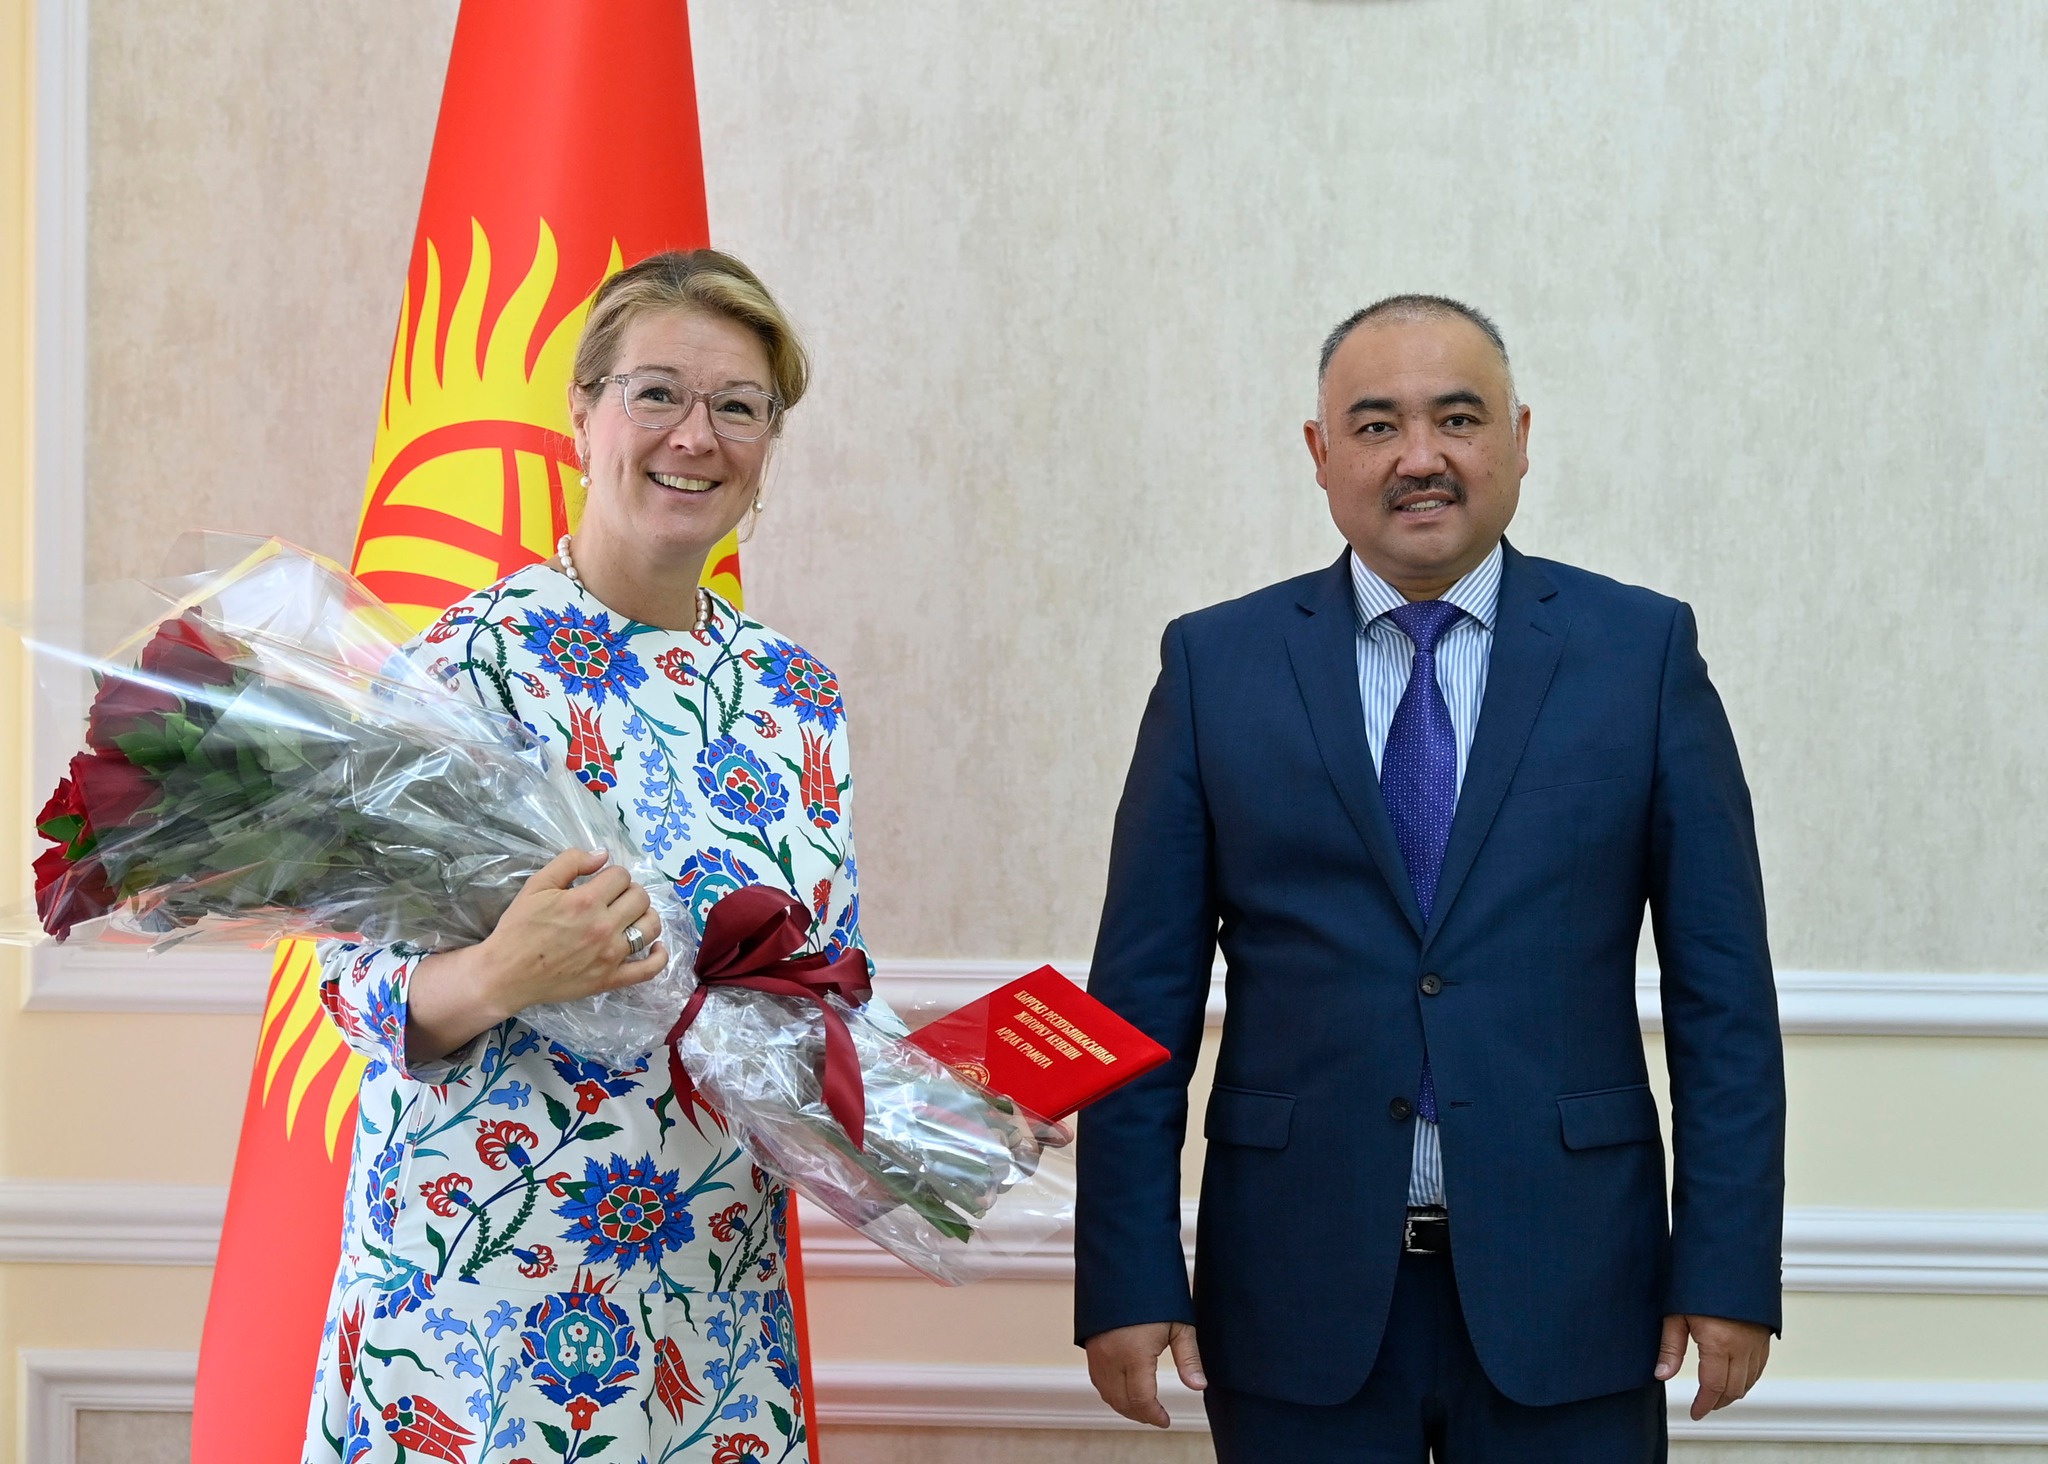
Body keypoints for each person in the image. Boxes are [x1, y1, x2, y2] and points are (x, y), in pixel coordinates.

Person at [1074, 296, 1785, 1461]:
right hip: (1292, 1288)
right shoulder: (1214, 664)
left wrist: (1726, 1264)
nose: (1419, 457)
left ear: (1517, 437)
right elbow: (1138, 1000)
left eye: (1456, 419)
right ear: (1318, 453)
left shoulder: (1638, 653)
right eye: (1375, 425)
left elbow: (1724, 998)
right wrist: (1123, 1272)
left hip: (1576, 1284)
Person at [304, 250, 862, 1464]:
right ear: (582, 414)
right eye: (655, 392)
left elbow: (821, 996)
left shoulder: (795, 697)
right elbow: (347, 987)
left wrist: (953, 1117)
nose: (694, 436)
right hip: (483, 1304)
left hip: (712, 1302)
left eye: (737, 406)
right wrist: (503, 972)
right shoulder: (464, 668)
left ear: (768, 442)